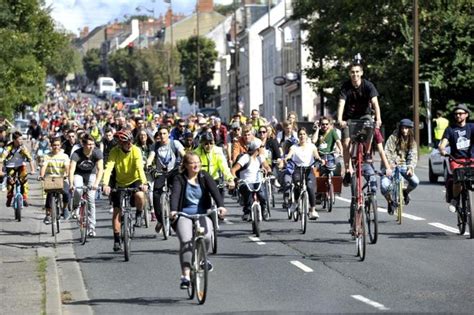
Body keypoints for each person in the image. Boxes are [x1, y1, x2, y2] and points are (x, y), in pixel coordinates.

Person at [170, 152, 227, 289]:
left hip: (202, 213)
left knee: (207, 236)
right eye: (192, 163)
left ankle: (202, 259)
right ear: (185, 165)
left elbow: (214, 191)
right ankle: (185, 275)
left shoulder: (204, 176)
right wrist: (173, 210)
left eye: (198, 162)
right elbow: (175, 195)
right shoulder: (180, 178)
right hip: (184, 213)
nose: (196, 165)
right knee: (186, 241)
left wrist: (221, 206)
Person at [336, 58, 382, 186]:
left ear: (361, 73)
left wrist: (378, 119)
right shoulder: (346, 87)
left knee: (370, 125)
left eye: (357, 72)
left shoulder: (368, 85)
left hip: (364, 116)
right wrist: (340, 119)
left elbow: (375, 104)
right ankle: (348, 169)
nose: (355, 74)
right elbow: (341, 103)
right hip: (349, 118)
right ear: (349, 74)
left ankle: (367, 153)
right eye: (352, 72)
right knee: (345, 143)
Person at [102, 130, 148, 252]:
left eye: (131, 142)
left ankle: (139, 213)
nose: (130, 144)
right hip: (120, 182)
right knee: (117, 211)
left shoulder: (136, 150)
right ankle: (117, 239)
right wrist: (105, 184)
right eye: (126, 143)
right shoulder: (114, 152)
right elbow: (108, 169)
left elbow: (139, 167)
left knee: (140, 195)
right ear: (120, 144)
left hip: (135, 179)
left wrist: (144, 183)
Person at [146, 127, 186, 234]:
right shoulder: (155, 146)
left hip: (174, 171)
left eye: (164, 133)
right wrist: (149, 165)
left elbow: (184, 154)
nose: (162, 136)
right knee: (156, 195)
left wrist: (185, 163)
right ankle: (160, 220)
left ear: (168, 134)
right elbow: (150, 157)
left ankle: (176, 217)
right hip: (160, 173)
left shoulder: (175, 143)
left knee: (176, 193)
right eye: (160, 134)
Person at [438, 104, 474, 212]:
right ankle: (455, 199)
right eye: (456, 114)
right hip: (456, 160)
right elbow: (443, 144)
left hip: (471, 159)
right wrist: (442, 150)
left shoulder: (472, 127)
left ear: (466, 115)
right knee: (458, 179)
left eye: (460, 113)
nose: (458, 115)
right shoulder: (450, 129)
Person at [284, 127, 324, 220]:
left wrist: (319, 159)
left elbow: (316, 155)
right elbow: (290, 154)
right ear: (298, 136)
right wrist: (287, 158)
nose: (302, 136)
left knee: (310, 188)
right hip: (298, 170)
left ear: (307, 136)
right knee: (298, 185)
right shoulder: (294, 147)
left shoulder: (312, 146)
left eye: (304, 134)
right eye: (300, 134)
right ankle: (295, 202)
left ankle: (313, 210)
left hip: (309, 169)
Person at [381, 119, 419, 213]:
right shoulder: (393, 138)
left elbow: (413, 155)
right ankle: (390, 202)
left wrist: (410, 167)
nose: (404, 130)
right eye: (403, 128)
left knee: (415, 181)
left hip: (404, 165)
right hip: (391, 165)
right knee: (384, 186)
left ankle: (405, 192)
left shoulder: (412, 140)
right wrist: (389, 165)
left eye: (407, 128)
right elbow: (387, 152)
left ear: (410, 129)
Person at [69, 134, 104, 237]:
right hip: (78, 174)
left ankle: (92, 228)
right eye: (88, 144)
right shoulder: (76, 153)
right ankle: (75, 206)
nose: (91, 146)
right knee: (78, 190)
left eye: (92, 144)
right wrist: (71, 184)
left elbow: (100, 169)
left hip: (91, 174)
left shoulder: (97, 152)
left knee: (91, 200)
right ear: (83, 144)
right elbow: (71, 170)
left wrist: (96, 184)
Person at [231, 140, 272, 221]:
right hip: (245, 182)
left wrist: (269, 172)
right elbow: (233, 170)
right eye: (262, 147)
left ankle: (264, 209)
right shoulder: (245, 158)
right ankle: (247, 210)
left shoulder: (261, 157)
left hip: (257, 182)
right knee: (248, 195)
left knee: (262, 195)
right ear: (257, 149)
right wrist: (235, 179)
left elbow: (267, 167)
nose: (263, 149)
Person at [39, 137, 71, 223]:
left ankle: (65, 209)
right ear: (51, 145)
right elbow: (44, 166)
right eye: (54, 145)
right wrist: (41, 176)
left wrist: (66, 174)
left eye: (58, 145)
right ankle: (48, 215)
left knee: (66, 192)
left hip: (62, 177)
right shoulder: (47, 156)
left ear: (60, 146)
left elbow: (67, 167)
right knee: (49, 194)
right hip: (51, 178)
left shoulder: (64, 156)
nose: (56, 147)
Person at [0, 131, 35, 207]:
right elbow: (1, 160)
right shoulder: (8, 148)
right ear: (14, 140)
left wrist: (32, 170)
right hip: (10, 167)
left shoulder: (23, 147)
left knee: (24, 181)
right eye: (20, 139)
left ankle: (25, 198)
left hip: (21, 166)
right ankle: (9, 198)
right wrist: (0, 171)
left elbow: (30, 158)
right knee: (10, 184)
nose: (21, 141)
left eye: (22, 139)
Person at [194, 132, 235, 197]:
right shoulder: (196, 153)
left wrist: (230, 179)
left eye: (211, 143)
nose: (209, 146)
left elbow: (224, 166)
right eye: (206, 144)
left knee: (220, 202)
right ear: (202, 144)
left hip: (215, 179)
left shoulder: (217, 151)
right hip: (202, 179)